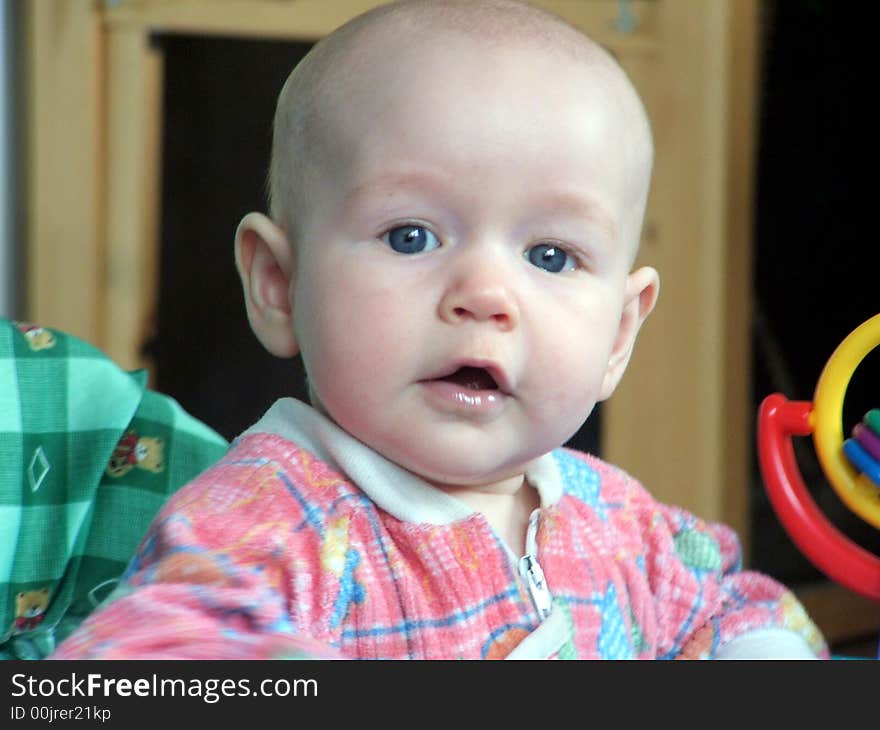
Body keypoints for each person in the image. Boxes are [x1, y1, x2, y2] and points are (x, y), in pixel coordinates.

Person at [51, 0, 827, 660]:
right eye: (411, 236)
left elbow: (734, 609)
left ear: (618, 335)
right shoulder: (266, 527)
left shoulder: (623, 524)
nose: (486, 296)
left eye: (551, 255)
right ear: (280, 285)